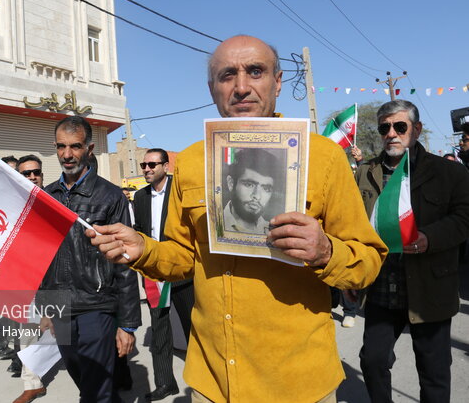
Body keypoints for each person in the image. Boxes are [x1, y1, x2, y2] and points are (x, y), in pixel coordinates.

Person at [86, 35, 387, 403]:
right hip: (213, 380)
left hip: (297, 382)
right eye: (228, 75)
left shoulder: (322, 158)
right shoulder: (194, 162)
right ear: (212, 87)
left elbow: (368, 261)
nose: (242, 86)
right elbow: (182, 258)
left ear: (277, 81)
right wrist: (143, 250)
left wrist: (325, 252)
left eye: (255, 71)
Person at [355, 100, 469, 403]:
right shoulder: (364, 173)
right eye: (384, 128)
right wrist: (349, 279)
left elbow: (464, 217)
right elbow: (349, 225)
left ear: (415, 129)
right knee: (373, 361)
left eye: (400, 126)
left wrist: (430, 238)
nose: (391, 133)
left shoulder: (449, 173)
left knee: (433, 373)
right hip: (380, 289)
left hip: (430, 289)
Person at [37, 116, 141, 403]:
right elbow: (43, 258)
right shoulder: (47, 197)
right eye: (61, 146)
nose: (67, 154)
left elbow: (124, 261)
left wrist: (128, 323)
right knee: (83, 378)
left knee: (95, 389)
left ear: (90, 148)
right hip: (61, 307)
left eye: (75, 146)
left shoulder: (110, 197)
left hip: (98, 305)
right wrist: (45, 307)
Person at [134, 148, 194, 401]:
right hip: (155, 275)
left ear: (166, 166)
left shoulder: (179, 193)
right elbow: (139, 230)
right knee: (159, 330)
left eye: (152, 165)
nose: (147, 169)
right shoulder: (139, 197)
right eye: (144, 165)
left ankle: (206, 380)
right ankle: (165, 383)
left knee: (195, 329)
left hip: (182, 272)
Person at [11, 154, 49, 403]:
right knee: (26, 333)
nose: (32, 177)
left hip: (57, 278)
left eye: (36, 172)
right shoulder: (12, 204)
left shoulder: (54, 200)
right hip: (25, 279)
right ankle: (32, 383)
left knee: (73, 331)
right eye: (26, 173)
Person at [223, 147, 281, 234]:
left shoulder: (275, 231)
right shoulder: (211, 222)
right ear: (231, 183)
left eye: (266, 189)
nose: (257, 196)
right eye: (249, 185)